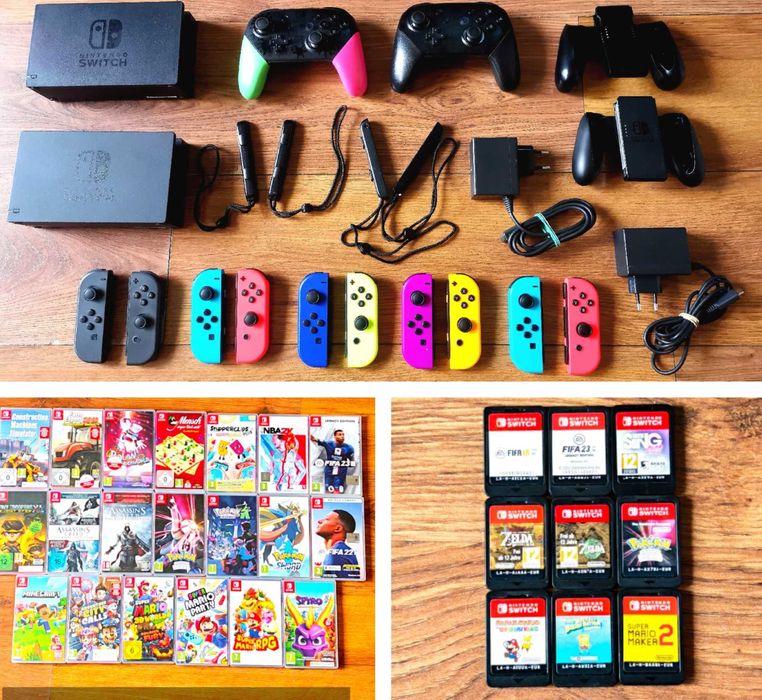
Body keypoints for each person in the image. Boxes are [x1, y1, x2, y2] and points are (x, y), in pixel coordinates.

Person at [315, 508, 359, 579]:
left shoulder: (337, 554)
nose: (319, 521)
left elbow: (343, 584)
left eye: (326, 519)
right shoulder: (340, 551)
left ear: (338, 528)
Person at [310, 429, 355, 493]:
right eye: (340, 434)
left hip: (340, 473)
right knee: (328, 490)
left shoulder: (349, 448)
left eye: (343, 435)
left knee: (337, 491)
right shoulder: (329, 443)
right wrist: (309, 434)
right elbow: (315, 439)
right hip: (329, 472)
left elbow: (352, 462)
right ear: (335, 436)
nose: (342, 436)